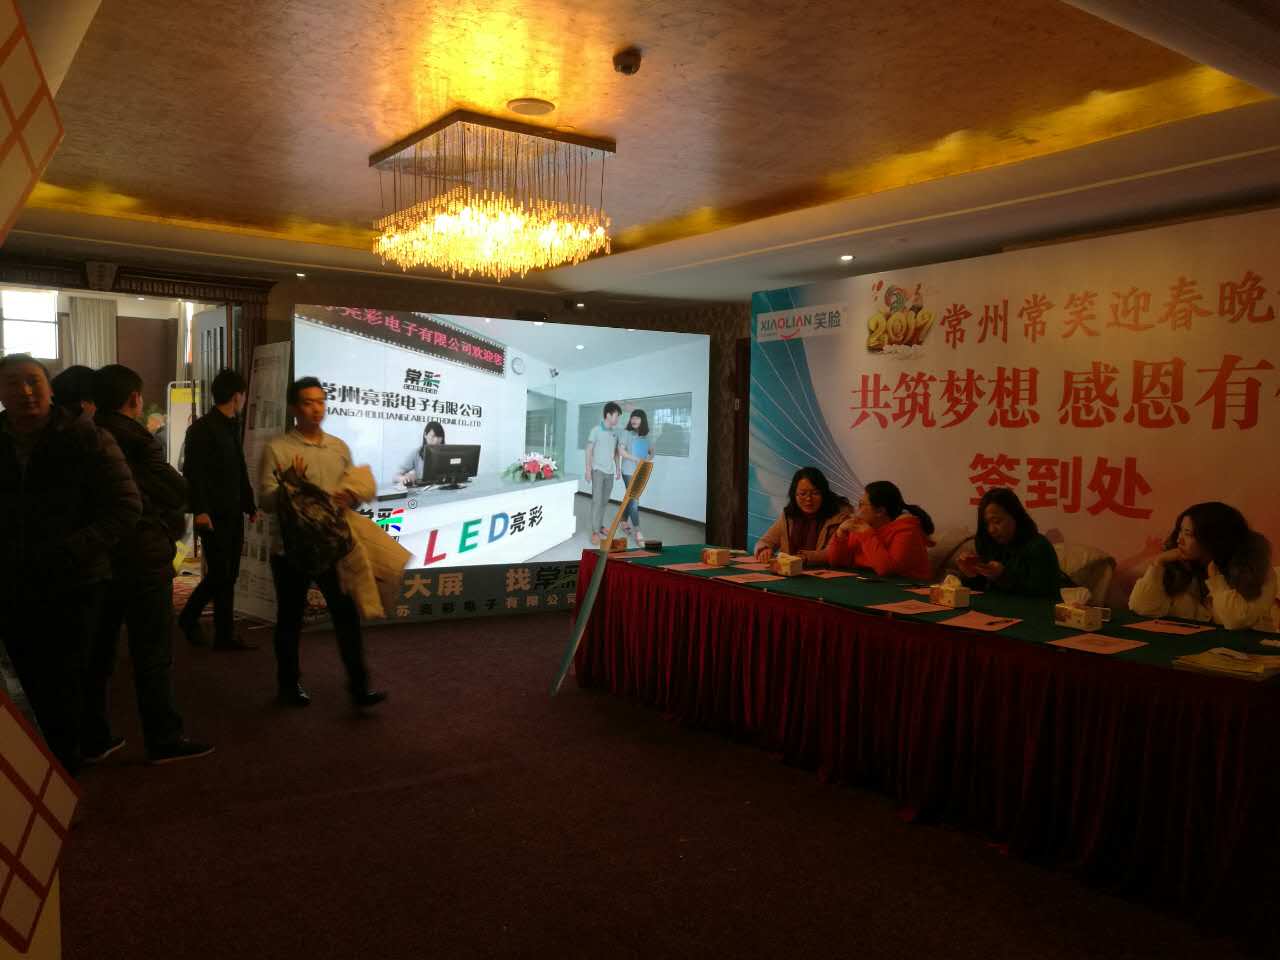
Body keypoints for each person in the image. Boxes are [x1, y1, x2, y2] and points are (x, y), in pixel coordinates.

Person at [0, 355, 141, 775]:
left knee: (67, 682)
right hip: (11, 582)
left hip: (76, 582)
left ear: (50, 388)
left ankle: (64, 774)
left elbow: (126, 506)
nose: (25, 391)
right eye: (12, 383)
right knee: (27, 681)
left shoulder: (87, 437)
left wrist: (70, 550)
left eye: (33, 381)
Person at [82, 364, 213, 764]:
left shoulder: (82, 436)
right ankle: (163, 738)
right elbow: (176, 491)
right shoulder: (138, 440)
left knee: (99, 651)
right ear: (135, 399)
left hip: (99, 559)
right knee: (152, 652)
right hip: (142, 555)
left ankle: (94, 736)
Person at [259, 376, 385, 708]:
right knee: (290, 619)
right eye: (308, 402)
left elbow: (351, 489)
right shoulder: (278, 449)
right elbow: (265, 500)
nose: (316, 409)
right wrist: (288, 485)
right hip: (292, 549)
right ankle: (288, 687)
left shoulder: (338, 447)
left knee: (346, 616)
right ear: (293, 407)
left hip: (333, 546)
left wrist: (352, 496)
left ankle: (359, 687)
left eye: (321, 401)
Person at [179, 368, 257, 650]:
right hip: (212, 514)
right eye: (243, 395)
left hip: (233, 511)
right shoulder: (202, 429)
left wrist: (249, 504)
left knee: (229, 575)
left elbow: (238, 470)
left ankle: (224, 635)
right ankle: (189, 617)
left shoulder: (230, 425)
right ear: (236, 396)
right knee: (220, 574)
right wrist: (200, 511)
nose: (244, 400)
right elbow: (194, 474)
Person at [1129, 502, 1276, 630]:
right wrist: (1158, 564)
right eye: (1180, 531)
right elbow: (1143, 608)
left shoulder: (1256, 570)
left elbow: (1236, 621)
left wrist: (1215, 579)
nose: (1179, 540)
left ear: (1213, 539)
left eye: (1188, 534)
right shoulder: (1178, 564)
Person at [956, 487, 1067, 597]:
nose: (991, 530)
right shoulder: (990, 544)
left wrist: (1003, 575)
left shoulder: (1038, 546)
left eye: (996, 521)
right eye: (986, 524)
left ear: (1016, 516)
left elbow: (1043, 593)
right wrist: (971, 574)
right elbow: (982, 591)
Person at [824, 481, 934, 579]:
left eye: (861, 505)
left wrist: (867, 535)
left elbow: (887, 569)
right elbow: (836, 562)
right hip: (869, 582)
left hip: (906, 587)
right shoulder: (863, 526)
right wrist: (840, 533)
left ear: (880, 511)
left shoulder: (907, 530)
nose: (857, 510)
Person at [753, 467, 852, 567]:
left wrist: (804, 558)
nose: (808, 499)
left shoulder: (840, 516)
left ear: (824, 494)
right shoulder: (789, 515)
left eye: (815, 493)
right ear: (794, 495)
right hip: (791, 571)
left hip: (827, 573)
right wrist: (764, 549)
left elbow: (832, 553)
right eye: (802, 494)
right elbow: (766, 541)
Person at [585, 402, 622, 544]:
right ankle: (595, 532)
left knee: (604, 501)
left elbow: (616, 452)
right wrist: (588, 470)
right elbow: (589, 450)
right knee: (597, 501)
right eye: (616, 416)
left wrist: (617, 468)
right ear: (608, 415)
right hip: (597, 470)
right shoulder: (595, 430)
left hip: (610, 472)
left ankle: (600, 526)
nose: (617, 419)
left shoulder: (615, 433)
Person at [619, 409, 653, 545]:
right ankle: (638, 531)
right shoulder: (626, 433)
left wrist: (647, 459)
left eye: (637, 418)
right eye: (632, 417)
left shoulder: (646, 436)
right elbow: (621, 451)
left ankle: (623, 521)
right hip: (628, 471)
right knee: (634, 500)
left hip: (640, 471)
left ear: (642, 420)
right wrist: (636, 459)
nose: (634, 420)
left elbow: (652, 451)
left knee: (630, 498)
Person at [395, 421, 445, 485]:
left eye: (439, 437)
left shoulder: (447, 453)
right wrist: (403, 478)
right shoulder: (416, 453)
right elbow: (395, 475)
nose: (436, 440)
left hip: (444, 488)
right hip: (423, 489)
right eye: (433, 436)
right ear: (425, 435)